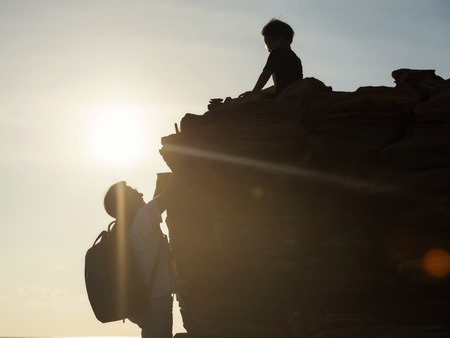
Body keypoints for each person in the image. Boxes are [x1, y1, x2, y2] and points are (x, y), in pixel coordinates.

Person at [103, 177, 178, 338]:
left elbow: (156, 203)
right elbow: (174, 188)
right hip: (155, 300)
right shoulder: (143, 219)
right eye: (136, 193)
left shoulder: (127, 227)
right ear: (128, 202)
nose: (141, 193)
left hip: (140, 302)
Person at [240, 19, 303, 98]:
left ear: (280, 39)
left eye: (268, 44)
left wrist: (254, 91)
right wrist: (259, 92)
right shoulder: (296, 58)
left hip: (283, 98)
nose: (269, 50)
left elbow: (266, 74)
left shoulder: (277, 53)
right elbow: (283, 85)